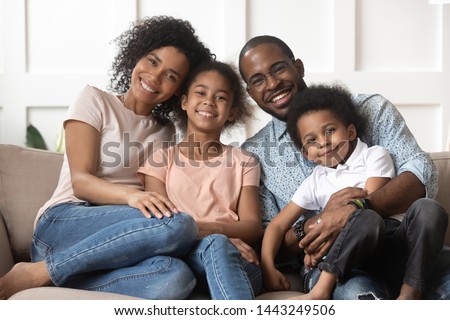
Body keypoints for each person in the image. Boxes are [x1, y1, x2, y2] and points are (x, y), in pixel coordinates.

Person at [0, 16, 215, 300]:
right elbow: (81, 182)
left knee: (176, 278)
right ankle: (39, 271)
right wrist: (132, 197)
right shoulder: (94, 100)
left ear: (179, 91)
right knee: (179, 224)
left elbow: (159, 200)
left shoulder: (166, 131)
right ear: (137, 55)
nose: (155, 76)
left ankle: (58, 276)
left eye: (171, 76)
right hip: (63, 223)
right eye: (152, 61)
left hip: (114, 241)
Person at [239, 35, 450, 299]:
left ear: (299, 67)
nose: (272, 84)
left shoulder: (371, 110)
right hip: (335, 266)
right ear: (250, 92)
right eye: (258, 80)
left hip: (402, 246)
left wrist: (353, 211)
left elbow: (421, 174)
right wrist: (321, 221)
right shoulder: (255, 153)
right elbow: (272, 236)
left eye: (279, 68)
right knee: (358, 295)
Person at [137, 60, 263, 299]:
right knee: (214, 246)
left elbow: (252, 226)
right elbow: (162, 226)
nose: (209, 102)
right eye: (201, 93)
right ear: (184, 101)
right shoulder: (160, 160)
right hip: (184, 260)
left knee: (218, 246)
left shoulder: (245, 161)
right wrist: (220, 236)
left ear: (232, 112)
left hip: (238, 263)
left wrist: (217, 235)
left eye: (221, 98)